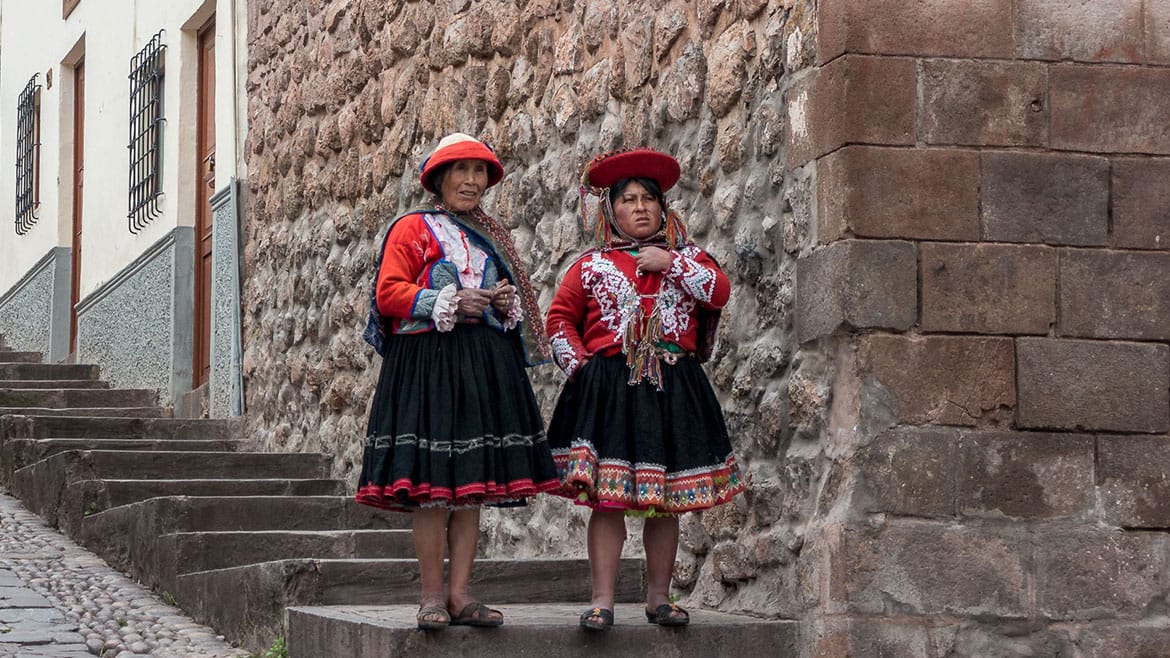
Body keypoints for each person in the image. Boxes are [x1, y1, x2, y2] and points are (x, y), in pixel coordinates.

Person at [356, 132, 559, 631]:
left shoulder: (491, 234)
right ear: (439, 179)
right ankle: (430, 597)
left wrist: (500, 302)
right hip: (429, 366)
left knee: (471, 487)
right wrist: (443, 300)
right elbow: (389, 293)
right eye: (461, 171)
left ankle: (461, 595)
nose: (471, 181)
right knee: (432, 489)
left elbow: (494, 293)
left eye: (479, 173)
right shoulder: (413, 229)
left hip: (482, 366)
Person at [544, 147, 747, 630]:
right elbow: (558, 321)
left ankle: (660, 598)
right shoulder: (590, 266)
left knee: (667, 499)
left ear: (663, 208)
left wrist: (669, 263)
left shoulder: (689, 258)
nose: (639, 207)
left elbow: (718, 291)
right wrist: (582, 369)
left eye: (648, 199)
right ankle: (603, 600)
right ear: (610, 211)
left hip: (672, 389)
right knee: (608, 500)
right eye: (628, 200)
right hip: (611, 391)